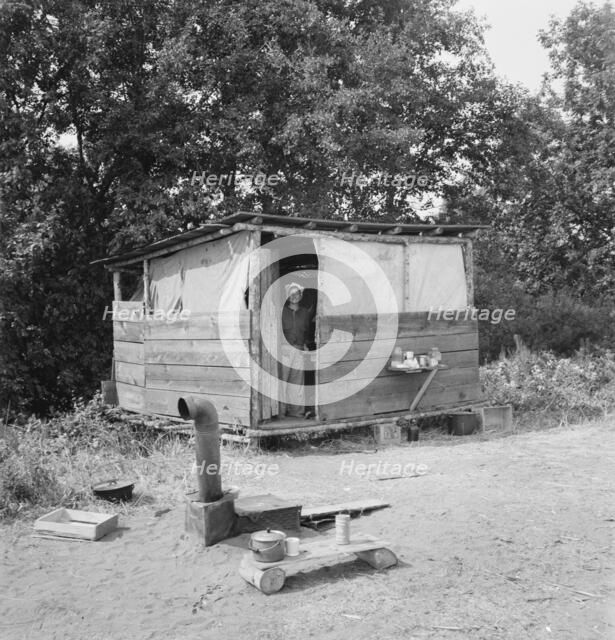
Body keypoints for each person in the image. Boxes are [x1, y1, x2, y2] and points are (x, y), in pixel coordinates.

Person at [280, 282, 311, 418]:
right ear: (288, 296)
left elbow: (306, 331)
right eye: (291, 294)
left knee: (297, 383)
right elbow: (277, 331)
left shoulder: (304, 312)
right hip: (285, 351)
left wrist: (304, 345)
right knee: (282, 381)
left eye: (297, 293)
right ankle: (280, 412)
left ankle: (296, 412)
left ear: (301, 295)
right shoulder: (282, 311)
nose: (294, 296)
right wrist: (281, 347)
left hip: (299, 350)